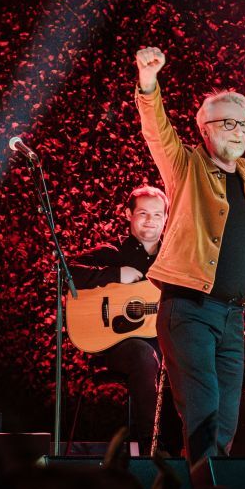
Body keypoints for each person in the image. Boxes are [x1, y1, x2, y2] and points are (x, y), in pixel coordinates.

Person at [134, 47, 245, 464]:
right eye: (227, 123)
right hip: (189, 309)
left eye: (243, 123)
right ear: (206, 130)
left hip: (234, 316)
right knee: (204, 411)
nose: (238, 131)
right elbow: (157, 131)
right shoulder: (187, 165)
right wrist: (148, 83)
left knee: (227, 419)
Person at [68, 185, 170, 452]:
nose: (151, 221)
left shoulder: (174, 258)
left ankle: (190, 450)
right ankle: (151, 449)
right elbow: (67, 273)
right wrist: (115, 274)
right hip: (117, 346)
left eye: (158, 215)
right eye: (144, 213)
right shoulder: (113, 252)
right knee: (142, 353)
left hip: (165, 343)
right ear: (128, 214)